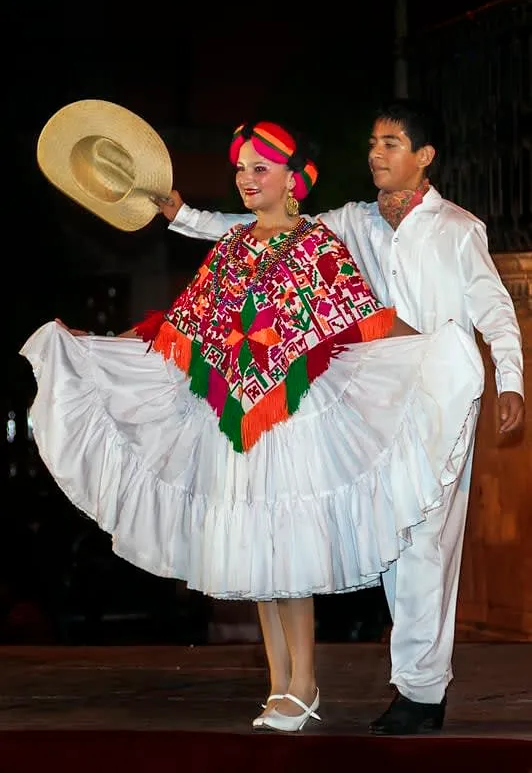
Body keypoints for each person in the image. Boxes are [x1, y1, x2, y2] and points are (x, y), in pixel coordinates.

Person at [21, 117, 484, 734]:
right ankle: (279, 683)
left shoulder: (316, 245)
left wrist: (433, 354)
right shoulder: (233, 250)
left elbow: (362, 317)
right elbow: (184, 328)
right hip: (239, 426)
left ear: (295, 181)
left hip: (293, 428)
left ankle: (304, 684)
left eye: (259, 169)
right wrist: (101, 343)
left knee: (287, 557)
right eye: (241, 168)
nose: (246, 179)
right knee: (256, 562)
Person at [156, 101, 525, 735]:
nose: (377, 153)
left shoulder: (459, 229)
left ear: (424, 156)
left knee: (428, 539)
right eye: (373, 143)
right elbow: (257, 229)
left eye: (391, 142)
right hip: (374, 403)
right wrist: (180, 214)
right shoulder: (351, 222)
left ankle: (421, 692)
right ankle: (406, 685)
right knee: (392, 543)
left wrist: (512, 381)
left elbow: (494, 311)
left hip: (439, 395)